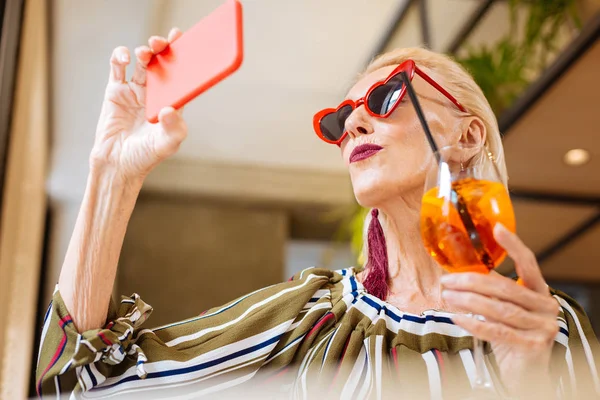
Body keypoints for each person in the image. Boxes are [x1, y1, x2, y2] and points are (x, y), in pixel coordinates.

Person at [36, 28, 599, 399]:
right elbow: (81, 383)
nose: (352, 124)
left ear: (467, 131)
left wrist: (533, 380)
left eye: (385, 99)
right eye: (339, 119)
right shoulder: (311, 318)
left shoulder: (550, 327)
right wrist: (112, 172)